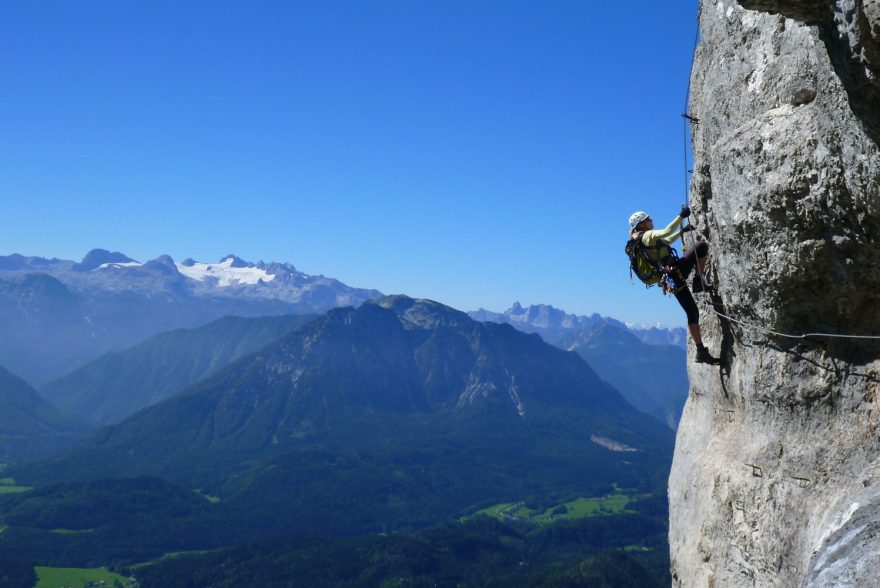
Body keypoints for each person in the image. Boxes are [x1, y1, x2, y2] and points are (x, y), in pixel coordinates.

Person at [629, 206, 720, 365]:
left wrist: (681, 232)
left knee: (691, 311)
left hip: (671, 277)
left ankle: (700, 351)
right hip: (674, 275)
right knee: (701, 247)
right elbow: (665, 232)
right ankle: (698, 281)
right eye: (648, 220)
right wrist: (681, 216)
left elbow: (667, 240)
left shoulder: (644, 239)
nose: (651, 221)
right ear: (641, 224)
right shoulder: (647, 236)